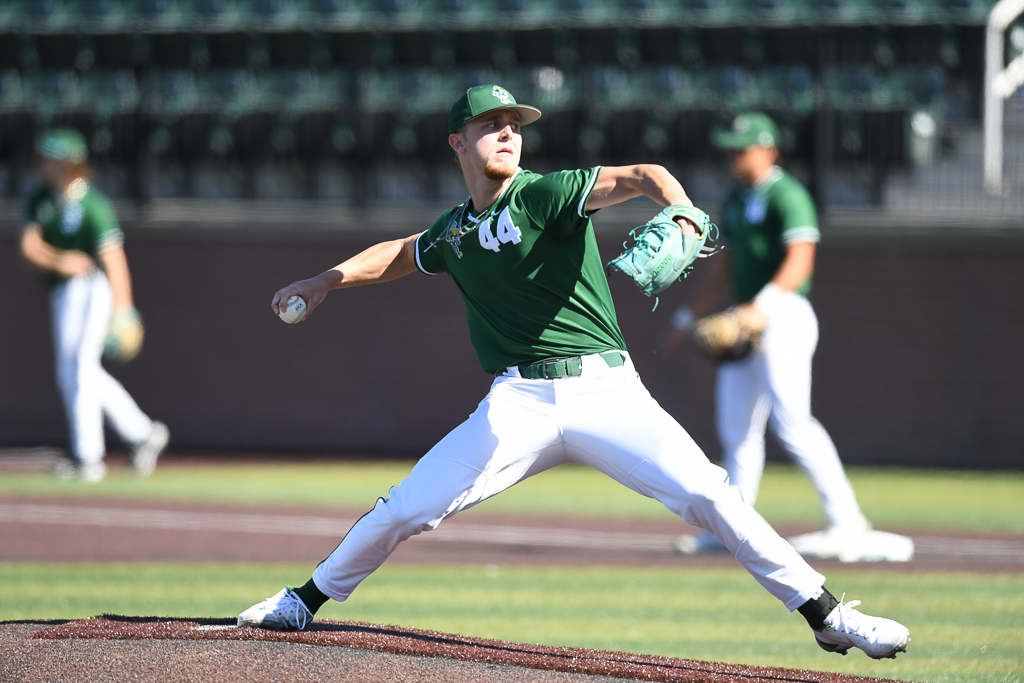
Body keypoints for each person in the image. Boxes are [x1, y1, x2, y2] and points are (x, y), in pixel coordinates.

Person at [238, 86, 910, 659]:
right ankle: (304, 600)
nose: (508, 134)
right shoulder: (457, 232)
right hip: (518, 401)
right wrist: (326, 278)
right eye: (490, 125)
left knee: (712, 494)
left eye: (514, 126)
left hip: (605, 390)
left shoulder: (546, 196)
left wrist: (680, 208)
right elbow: (402, 251)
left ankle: (828, 616)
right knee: (409, 505)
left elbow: (644, 173)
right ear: (457, 143)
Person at [666, 112, 911, 562]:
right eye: (730, 148)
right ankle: (731, 527)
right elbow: (724, 267)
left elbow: (801, 259)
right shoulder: (738, 199)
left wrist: (763, 306)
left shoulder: (787, 193)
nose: (733, 156)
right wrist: (687, 318)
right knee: (736, 429)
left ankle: (846, 520)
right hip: (745, 316)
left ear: (769, 150)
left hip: (784, 314)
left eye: (742, 148)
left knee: (793, 422)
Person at [20, 129, 169, 483]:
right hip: (63, 291)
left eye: (51, 158)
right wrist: (61, 261)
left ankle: (88, 458)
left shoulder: (93, 206)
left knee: (80, 369)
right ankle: (143, 432)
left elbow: (114, 260)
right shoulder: (42, 199)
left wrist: (124, 309)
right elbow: (29, 246)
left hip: (90, 288)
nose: (44, 164)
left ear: (68, 164)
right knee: (75, 371)